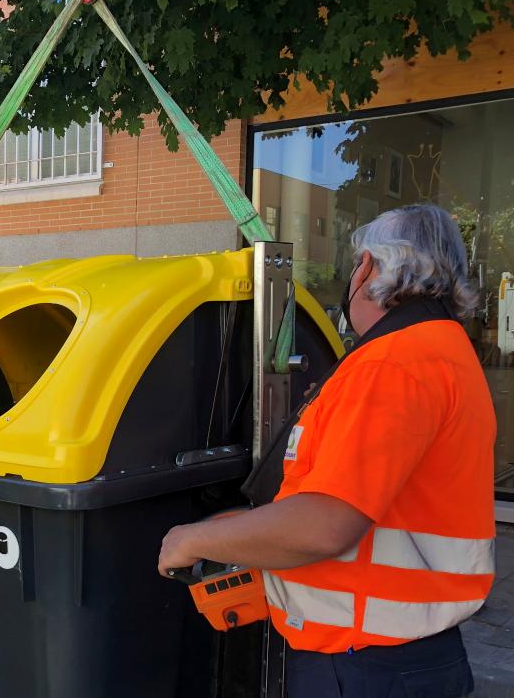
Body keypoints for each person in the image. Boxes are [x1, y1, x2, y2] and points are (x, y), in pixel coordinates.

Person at [158, 204, 495, 697]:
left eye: (357, 264)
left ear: (372, 269)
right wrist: (229, 530)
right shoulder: (446, 351)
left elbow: (327, 524)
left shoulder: (390, 364)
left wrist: (192, 540)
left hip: (365, 665)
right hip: (408, 655)